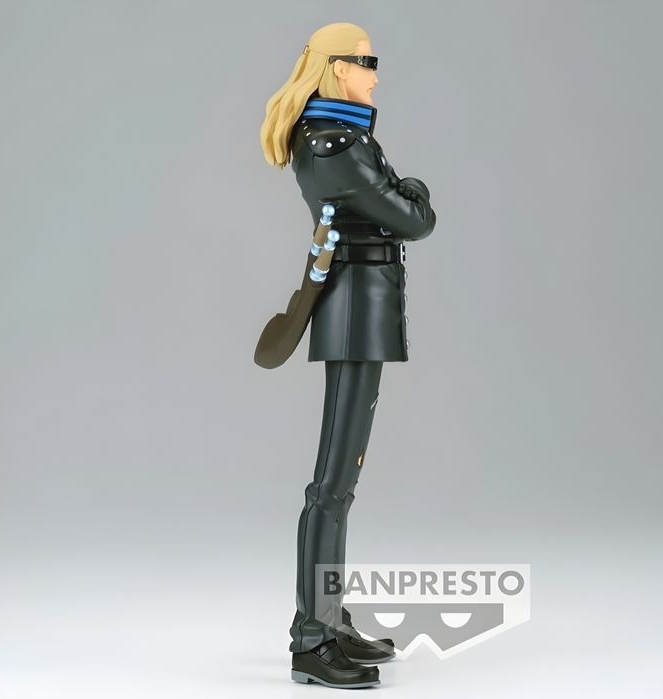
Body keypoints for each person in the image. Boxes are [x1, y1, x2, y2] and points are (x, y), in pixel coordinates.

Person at [259, 22, 436, 689]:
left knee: (340, 481)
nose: (375, 73)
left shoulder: (342, 136)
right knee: (333, 483)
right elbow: (413, 218)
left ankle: (328, 620)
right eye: (367, 61)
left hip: (362, 306)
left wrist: (401, 193)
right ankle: (312, 638)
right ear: (337, 67)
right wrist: (416, 189)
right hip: (355, 310)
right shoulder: (334, 142)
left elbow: (391, 210)